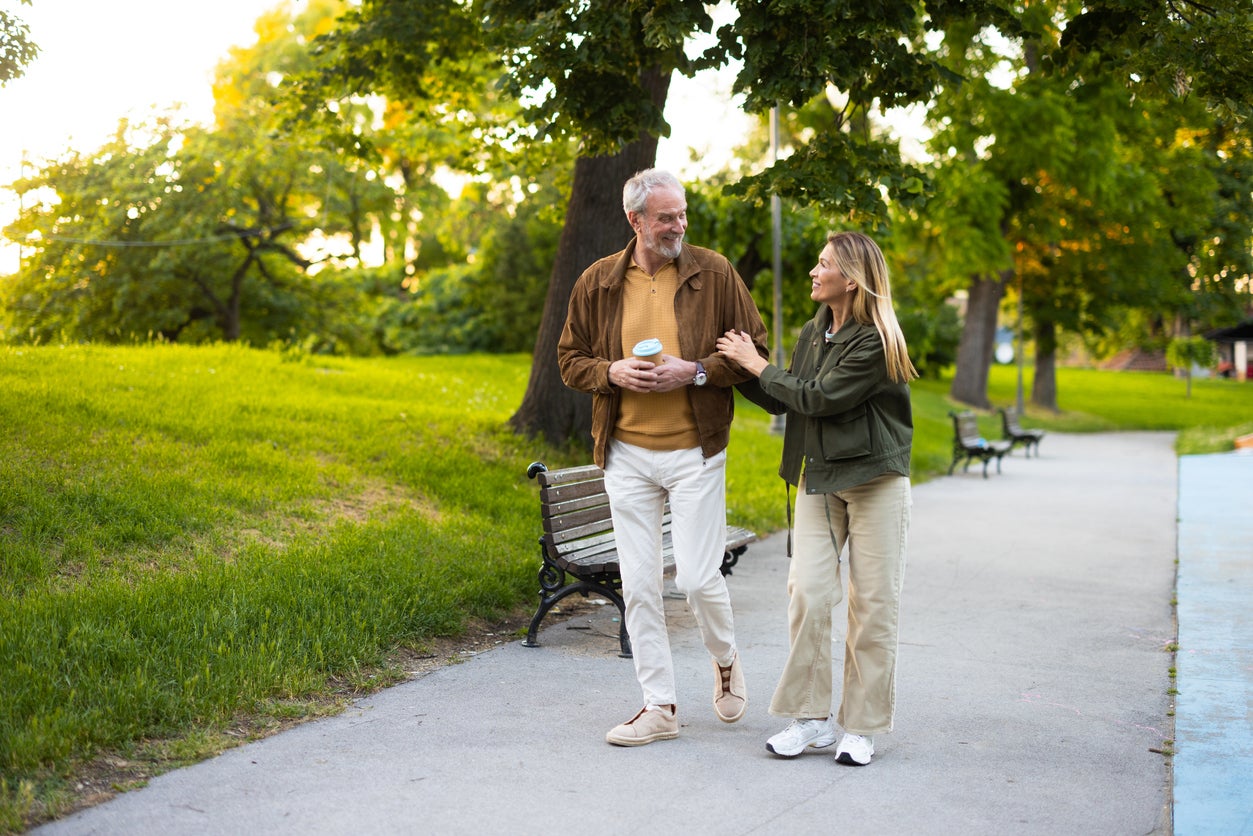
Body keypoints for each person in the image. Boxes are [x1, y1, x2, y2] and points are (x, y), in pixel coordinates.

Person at [557, 168, 769, 746]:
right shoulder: (599, 281)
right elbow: (569, 357)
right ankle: (660, 706)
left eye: (681, 214)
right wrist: (611, 372)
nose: (678, 225)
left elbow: (755, 351)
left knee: (700, 580)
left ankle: (725, 661)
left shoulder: (715, 272)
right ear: (635, 221)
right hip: (625, 453)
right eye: (665, 217)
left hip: (694, 451)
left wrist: (695, 370)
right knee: (641, 584)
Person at [716, 230, 916, 766]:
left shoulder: (875, 339)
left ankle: (862, 727)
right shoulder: (813, 330)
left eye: (823, 264)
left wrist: (758, 366)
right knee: (807, 593)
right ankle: (810, 720)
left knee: (872, 605)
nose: (813, 270)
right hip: (819, 477)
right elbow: (786, 399)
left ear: (849, 279)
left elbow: (821, 399)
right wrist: (736, 365)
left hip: (875, 479)